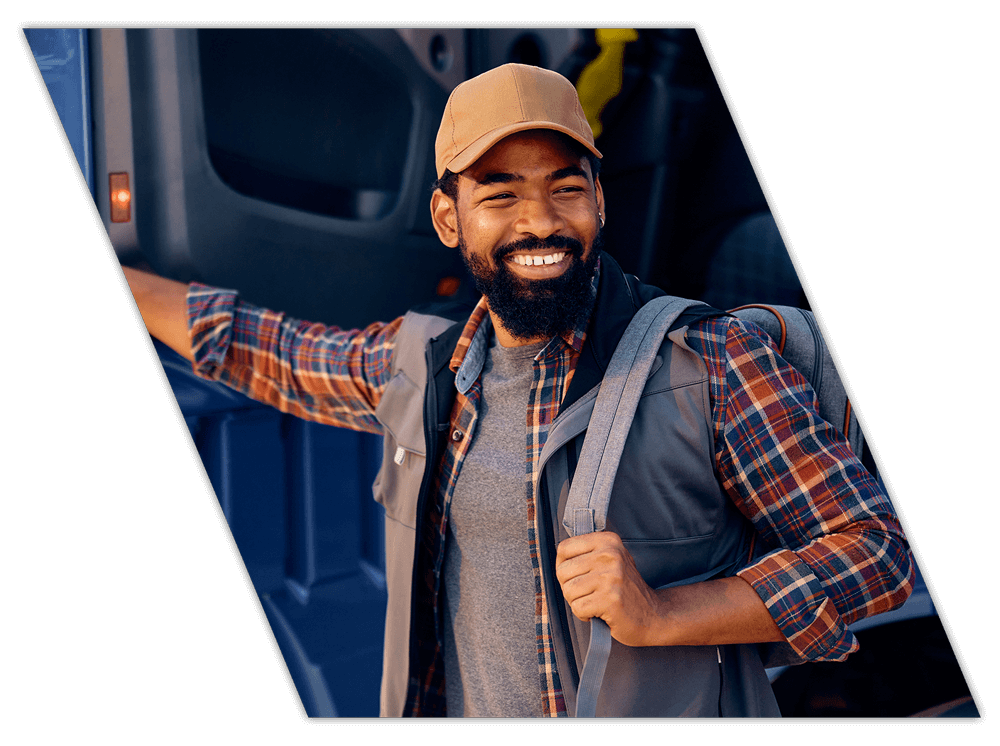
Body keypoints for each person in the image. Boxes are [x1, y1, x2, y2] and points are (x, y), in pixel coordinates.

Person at [123, 63, 913, 717]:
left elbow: (874, 554)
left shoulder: (710, 361)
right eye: (500, 194)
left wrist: (667, 613)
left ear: (600, 200)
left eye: (565, 188)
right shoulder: (422, 370)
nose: (540, 221)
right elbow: (265, 346)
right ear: (447, 215)